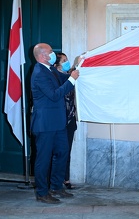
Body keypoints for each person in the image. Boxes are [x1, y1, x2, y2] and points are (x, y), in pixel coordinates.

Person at [30, 43, 79, 204]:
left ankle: (56, 187)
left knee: (62, 153)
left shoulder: (50, 69)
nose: (53, 54)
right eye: (51, 52)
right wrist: (72, 80)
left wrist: (75, 70)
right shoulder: (39, 73)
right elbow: (54, 94)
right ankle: (42, 192)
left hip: (58, 123)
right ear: (43, 55)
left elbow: (63, 78)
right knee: (43, 159)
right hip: (45, 125)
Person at [54, 52, 77, 189]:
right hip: (59, 120)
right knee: (58, 151)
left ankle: (66, 178)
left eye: (67, 59)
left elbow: (72, 75)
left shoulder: (69, 76)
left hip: (70, 119)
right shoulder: (55, 78)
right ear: (57, 65)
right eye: (64, 60)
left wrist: (79, 63)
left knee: (67, 150)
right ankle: (56, 179)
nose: (66, 62)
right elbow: (66, 82)